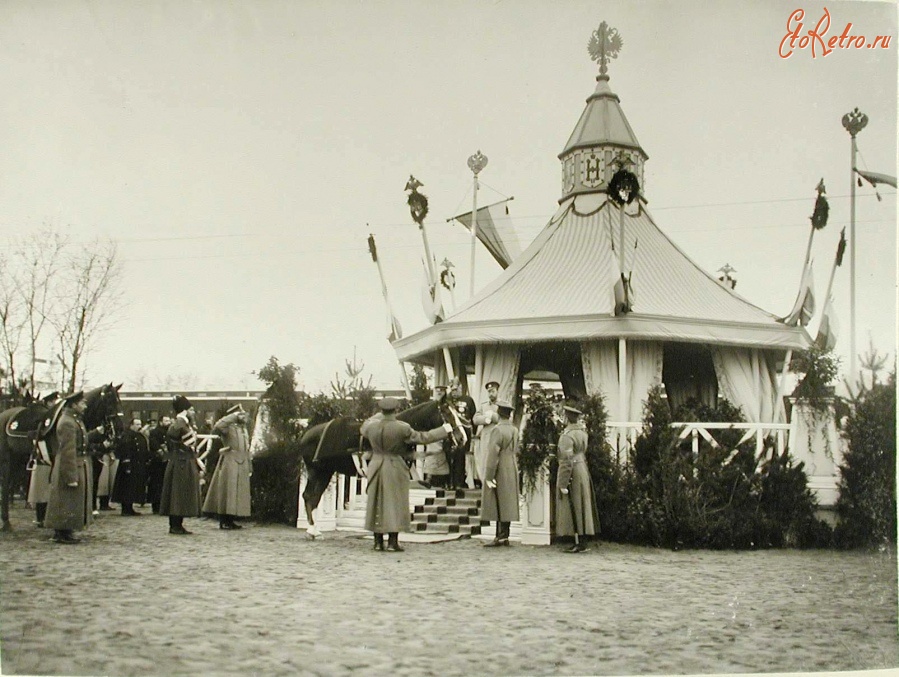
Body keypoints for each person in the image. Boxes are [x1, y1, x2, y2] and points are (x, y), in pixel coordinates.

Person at [361, 397, 453, 552]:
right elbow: (424, 438)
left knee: (377, 502)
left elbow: (363, 428)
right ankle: (392, 542)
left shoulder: (371, 427)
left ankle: (377, 542)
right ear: (396, 410)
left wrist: (376, 418)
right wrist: (444, 430)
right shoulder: (402, 428)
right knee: (394, 503)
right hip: (394, 466)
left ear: (381, 410)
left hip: (375, 465)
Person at [44, 391, 93, 544]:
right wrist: (71, 476)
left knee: (71, 500)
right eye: (82, 403)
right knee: (65, 499)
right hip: (69, 464)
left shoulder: (73, 420)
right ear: (73, 404)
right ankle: (61, 531)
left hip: (76, 463)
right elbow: (68, 451)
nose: (84, 406)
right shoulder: (67, 422)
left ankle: (67, 530)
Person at [555, 405, 599, 553]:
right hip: (582, 468)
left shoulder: (567, 436)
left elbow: (566, 460)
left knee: (575, 505)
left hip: (573, 469)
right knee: (582, 505)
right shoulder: (582, 433)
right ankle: (582, 539)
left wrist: (562, 483)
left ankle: (578, 541)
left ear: (567, 418)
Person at [202, 404, 252, 530]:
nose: (243, 416)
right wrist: (232, 416)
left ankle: (231, 519)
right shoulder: (228, 427)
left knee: (237, 494)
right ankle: (224, 520)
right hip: (230, 460)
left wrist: (249, 464)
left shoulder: (243, 428)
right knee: (227, 492)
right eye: (240, 414)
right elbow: (217, 426)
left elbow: (246, 447)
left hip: (242, 461)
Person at [481, 400, 520, 547]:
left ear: (498, 413)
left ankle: (500, 536)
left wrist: (489, 475)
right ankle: (505, 535)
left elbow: (493, 454)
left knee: (498, 500)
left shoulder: (497, 430)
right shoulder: (515, 430)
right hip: (512, 465)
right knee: (507, 501)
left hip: (500, 466)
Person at [160, 395, 202, 535]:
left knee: (181, 495)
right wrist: (181, 418)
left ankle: (178, 523)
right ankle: (175, 524)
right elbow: (172, 433)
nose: (193, 412)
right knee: (177, 495)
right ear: (184, 410)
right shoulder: (179, 422)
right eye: (191, 409)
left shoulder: (185, 423)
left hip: (184, 460)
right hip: (180, 461)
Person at [111, 417, 152, 516]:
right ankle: (126, 508)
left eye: (140, 424)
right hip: (129, 465)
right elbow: (126, 451)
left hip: (138, 465)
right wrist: (127, 465)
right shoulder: (127, 436)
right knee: (127, 487)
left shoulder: (138, 435)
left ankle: (130, 508)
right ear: (131, 425)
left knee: (133, 488)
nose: (139, 426)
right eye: (137, 424)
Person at [471, 380, 501, 489]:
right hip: (486, 439)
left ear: (497, 391)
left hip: (498, 438)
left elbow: (506, 418)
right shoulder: (483, 406)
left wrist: (493, 416)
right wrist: (486, 419)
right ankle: (485, 488)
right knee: (485, 462)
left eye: (492, 391)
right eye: (489, 391)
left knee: (497, 463)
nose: (490, 394)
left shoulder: (502, 405)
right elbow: (475, 419)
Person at [449, 377, 475, 490]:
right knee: (450, 457)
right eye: (452, 390)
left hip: (464, 433)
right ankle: (450, 482)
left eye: (456, 389)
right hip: (451, 432)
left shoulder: (468, 400)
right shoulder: (447, 400)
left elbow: (473, 417)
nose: (454, 392)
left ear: (460, 387)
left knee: (461, 457)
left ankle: (460, 482)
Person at [146, 416, 171, 514]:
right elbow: (154, 445)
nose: (168, 422)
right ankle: (156, 505)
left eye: (169, 420)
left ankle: (163, 505)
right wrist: (161, 451)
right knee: (156, 483)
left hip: (166, 460)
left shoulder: (168, 432)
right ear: (161, 422)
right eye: (166, 421)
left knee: (164, 483)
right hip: (157, 462)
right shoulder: (155, 432)